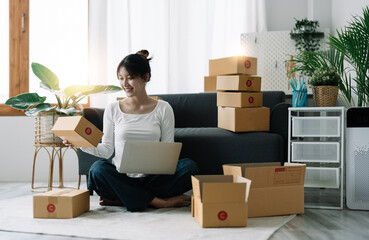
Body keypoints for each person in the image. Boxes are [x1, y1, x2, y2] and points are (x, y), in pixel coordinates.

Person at [63, 50, 199, 212]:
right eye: (121, 78)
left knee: (189, 167)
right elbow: (106, 150)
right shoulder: (113, 109)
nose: (124, 83)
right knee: (98, 170)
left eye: (130, 77)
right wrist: (79, 143)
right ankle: (159, 202)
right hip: (121, 176)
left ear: (145, 77)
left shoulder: (164, 108)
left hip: (154, 178)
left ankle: (124, 199)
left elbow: (167, 150)